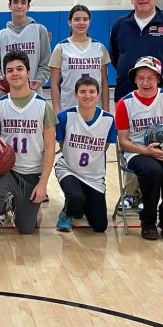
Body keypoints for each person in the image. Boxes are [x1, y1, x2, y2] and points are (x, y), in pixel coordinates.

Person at [110, 0, 163, 211]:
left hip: (157, 99)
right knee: (131, 144)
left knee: (159, 141)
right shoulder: (120, 25)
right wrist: (133, 81)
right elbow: (116, 57)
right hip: (126, 96)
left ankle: (154, 197)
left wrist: (158, 87)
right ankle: (132, 194)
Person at [0, 50, 57, 237]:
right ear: (5, 75)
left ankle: (21, 205)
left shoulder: (43, 106)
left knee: (26, 228)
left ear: (28, 72)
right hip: (7, 170)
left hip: (32, 173)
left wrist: (43, 184)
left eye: (19, 69)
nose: (15, 73)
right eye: (10, 70)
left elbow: (49, 149)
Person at [114, 56, 163, 240]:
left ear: (159, 79)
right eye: (141, 78)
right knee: (152, 171)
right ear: (135, 80)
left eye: (150, 78)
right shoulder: (125, 103)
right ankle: (148, 222)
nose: (145, 82)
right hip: (137, 151)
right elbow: (123, 141)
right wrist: (146, 151)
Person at [54, 77, 116, 233]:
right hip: (69, 170)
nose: (87, 96)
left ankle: (79, 204)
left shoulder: (108, 120)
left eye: (92, 92)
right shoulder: (64, 117)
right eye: (82, 92)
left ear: (98, 94)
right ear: (75, 94)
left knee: (100, 226)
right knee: (75, 197)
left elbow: (104, 147)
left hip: (94, 177)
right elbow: (63, 146)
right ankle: (67, 211)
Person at [50, 5, 110, 113]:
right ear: (69, 22)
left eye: (85, 19)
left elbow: (104, 82)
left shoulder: (99, 47)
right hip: (68, 107)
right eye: (77, 19)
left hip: (95, 109)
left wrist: (106, 109)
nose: (81, 23)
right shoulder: (61, 48)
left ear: (89, 22)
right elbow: (54, 83)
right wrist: (57, 111)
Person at [0, 0, 51, 96]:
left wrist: (38, 81)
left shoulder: (39, 30)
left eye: (23, 2)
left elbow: (46, 63)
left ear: (28, 6)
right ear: (9, 6)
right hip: (6, 95)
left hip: (33, 94)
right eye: (15, 2)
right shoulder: (0, 35)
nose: (19, 6)